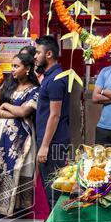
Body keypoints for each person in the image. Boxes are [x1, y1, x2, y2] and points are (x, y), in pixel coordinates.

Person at [0, 49, 39, 222]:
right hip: (1, 136)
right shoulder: (7, 85)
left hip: (22, 139)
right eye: (12, 66)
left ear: (28, 69)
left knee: (20, 174)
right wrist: (12, 112)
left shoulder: (35, 90)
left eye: (16, 66)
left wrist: (6, 105)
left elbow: (24, 112)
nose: (13, 69)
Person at [34, 35, 71, 209]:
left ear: (48, 54)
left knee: (54, 192)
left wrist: (45, 146)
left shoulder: (56, 79)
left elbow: (54, 115)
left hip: (53, 142)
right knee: (52, 190)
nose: (35, 56)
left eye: (37, 52)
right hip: (49, 140)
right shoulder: (49, 76)